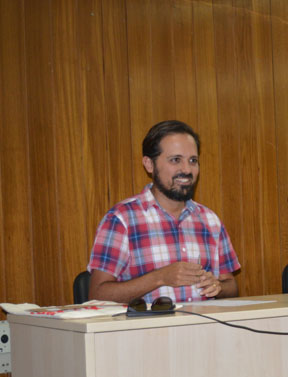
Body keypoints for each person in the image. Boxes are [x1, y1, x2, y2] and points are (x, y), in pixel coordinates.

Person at [87, 120, 240, 303]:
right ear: (149, 164)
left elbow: (231, 285)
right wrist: (159, 278)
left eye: (193, 161)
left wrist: (218, 286)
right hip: (144, 331)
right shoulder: (121, 220)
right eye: (176, 160)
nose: (186, 169)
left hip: (204, 330)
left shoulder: (210, 220)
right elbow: (97, 295)